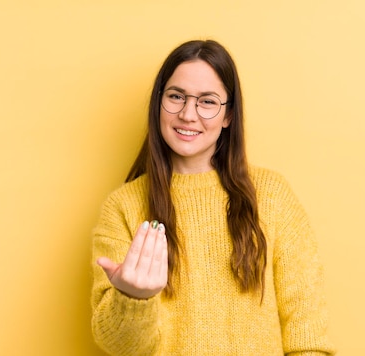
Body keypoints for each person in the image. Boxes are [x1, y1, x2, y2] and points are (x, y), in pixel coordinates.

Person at [91, 39, 336, 355]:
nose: (188, 114)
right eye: (176, 96)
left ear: (228, 115)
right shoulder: (123, 207)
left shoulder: (273, 197)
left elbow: (307, 333)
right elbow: (121, 347)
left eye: (207, 101)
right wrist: (133, 298)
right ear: (158, 104)